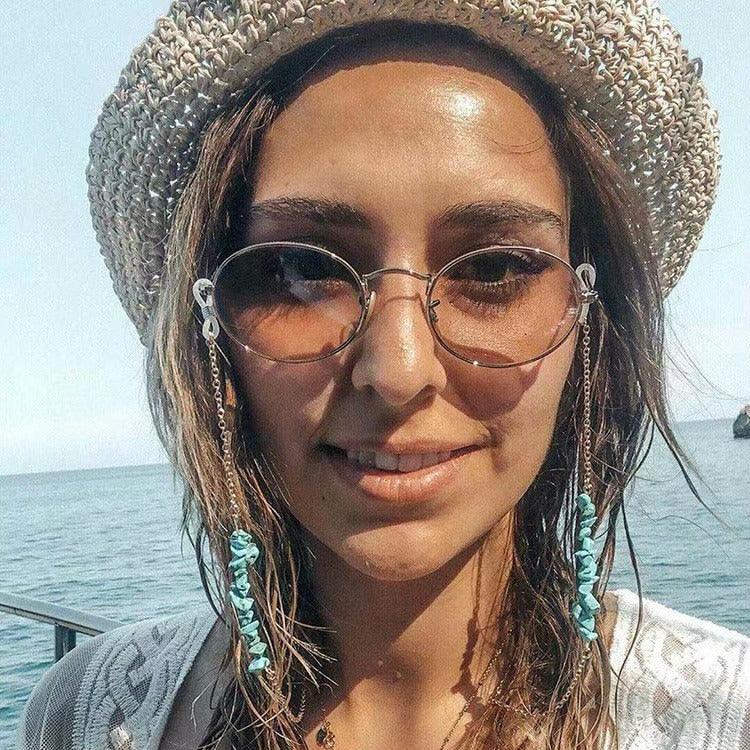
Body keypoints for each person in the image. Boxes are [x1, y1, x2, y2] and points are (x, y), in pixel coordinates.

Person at [16, 2, 750, 749]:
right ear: (211, 322)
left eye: (494, 269)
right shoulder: (84, 716)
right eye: (302, 269)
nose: (398, 371)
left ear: (586, 317)